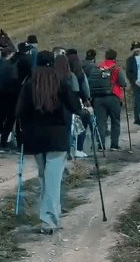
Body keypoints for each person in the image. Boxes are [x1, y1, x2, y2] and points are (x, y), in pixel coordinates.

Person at [16, 51, 91, 234]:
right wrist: (86, 111)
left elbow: (20, 112)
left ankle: (51, 215)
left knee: (44, 178)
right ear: (52, 64)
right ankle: (49, 221)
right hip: (57, 137)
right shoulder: (60, 83)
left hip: (35, 138)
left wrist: (22, 134)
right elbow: (75, 107)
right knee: (53, 180)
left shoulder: (29, 85)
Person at [88, 49, 127, 151]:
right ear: (115, 58)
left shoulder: (97, 67)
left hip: (98, 98)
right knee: (115, 122)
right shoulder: (116, 68)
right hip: (113, 97)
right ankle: (114, 145)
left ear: (105, 57)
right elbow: (123, 82)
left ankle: (101, 145)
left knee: (101, 122)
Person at [68, 53, 92, 158]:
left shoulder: (63, 73)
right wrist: (87, 99)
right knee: (82, 124)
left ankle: (68, 148)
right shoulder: (80, 74)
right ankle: (79, 149)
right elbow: (84, 88)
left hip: (66, 103)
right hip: (78, 102)